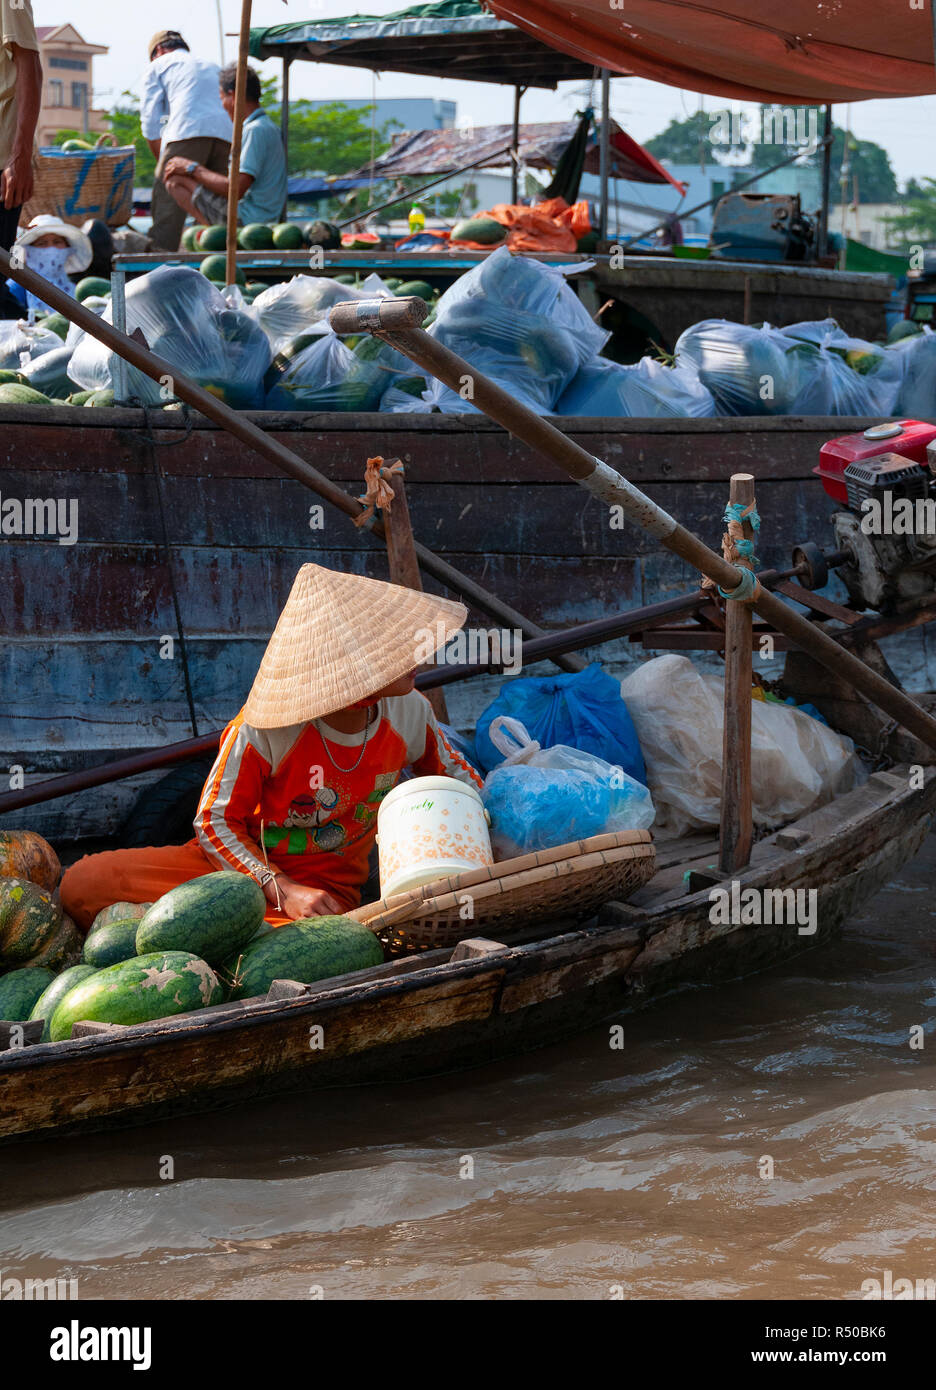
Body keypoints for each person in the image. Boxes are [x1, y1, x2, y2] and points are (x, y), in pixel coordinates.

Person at [61, 564, 483, 930]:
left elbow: (459, 781)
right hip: (237, 876)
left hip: (327, 897)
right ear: (354, 669)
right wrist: (283, 889)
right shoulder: (264, 729)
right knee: (84, 883)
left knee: (317, 944)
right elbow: (214, 824)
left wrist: (498, 823)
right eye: (392, 646)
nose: (415, 654)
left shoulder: (410, 712)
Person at [162, 63, 287, 230]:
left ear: (232, 96)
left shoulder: (254, 130)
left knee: (175, 181)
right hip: (261, 216)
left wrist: (192, 168)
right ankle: (212, 231)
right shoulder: (266, 127)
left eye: (221, 98)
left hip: (249, 220)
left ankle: (215, 232)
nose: (222, 105)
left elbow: (235, 189)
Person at [141, 30, 232, 251]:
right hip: (226, 136)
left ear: (159, 51)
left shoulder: (159, 64)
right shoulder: (212, 65)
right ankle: (222, 258)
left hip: (187, 132)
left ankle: (159, 264)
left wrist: (163, 165)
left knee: (168, 208)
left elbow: (151, 123)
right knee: (215, 208)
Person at [4, 213, 92, 315]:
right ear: (28, 250)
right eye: (42, 243)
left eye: (57, 242)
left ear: (67, 248)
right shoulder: (15, 288)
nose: (51, 248)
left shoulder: (76, 290)